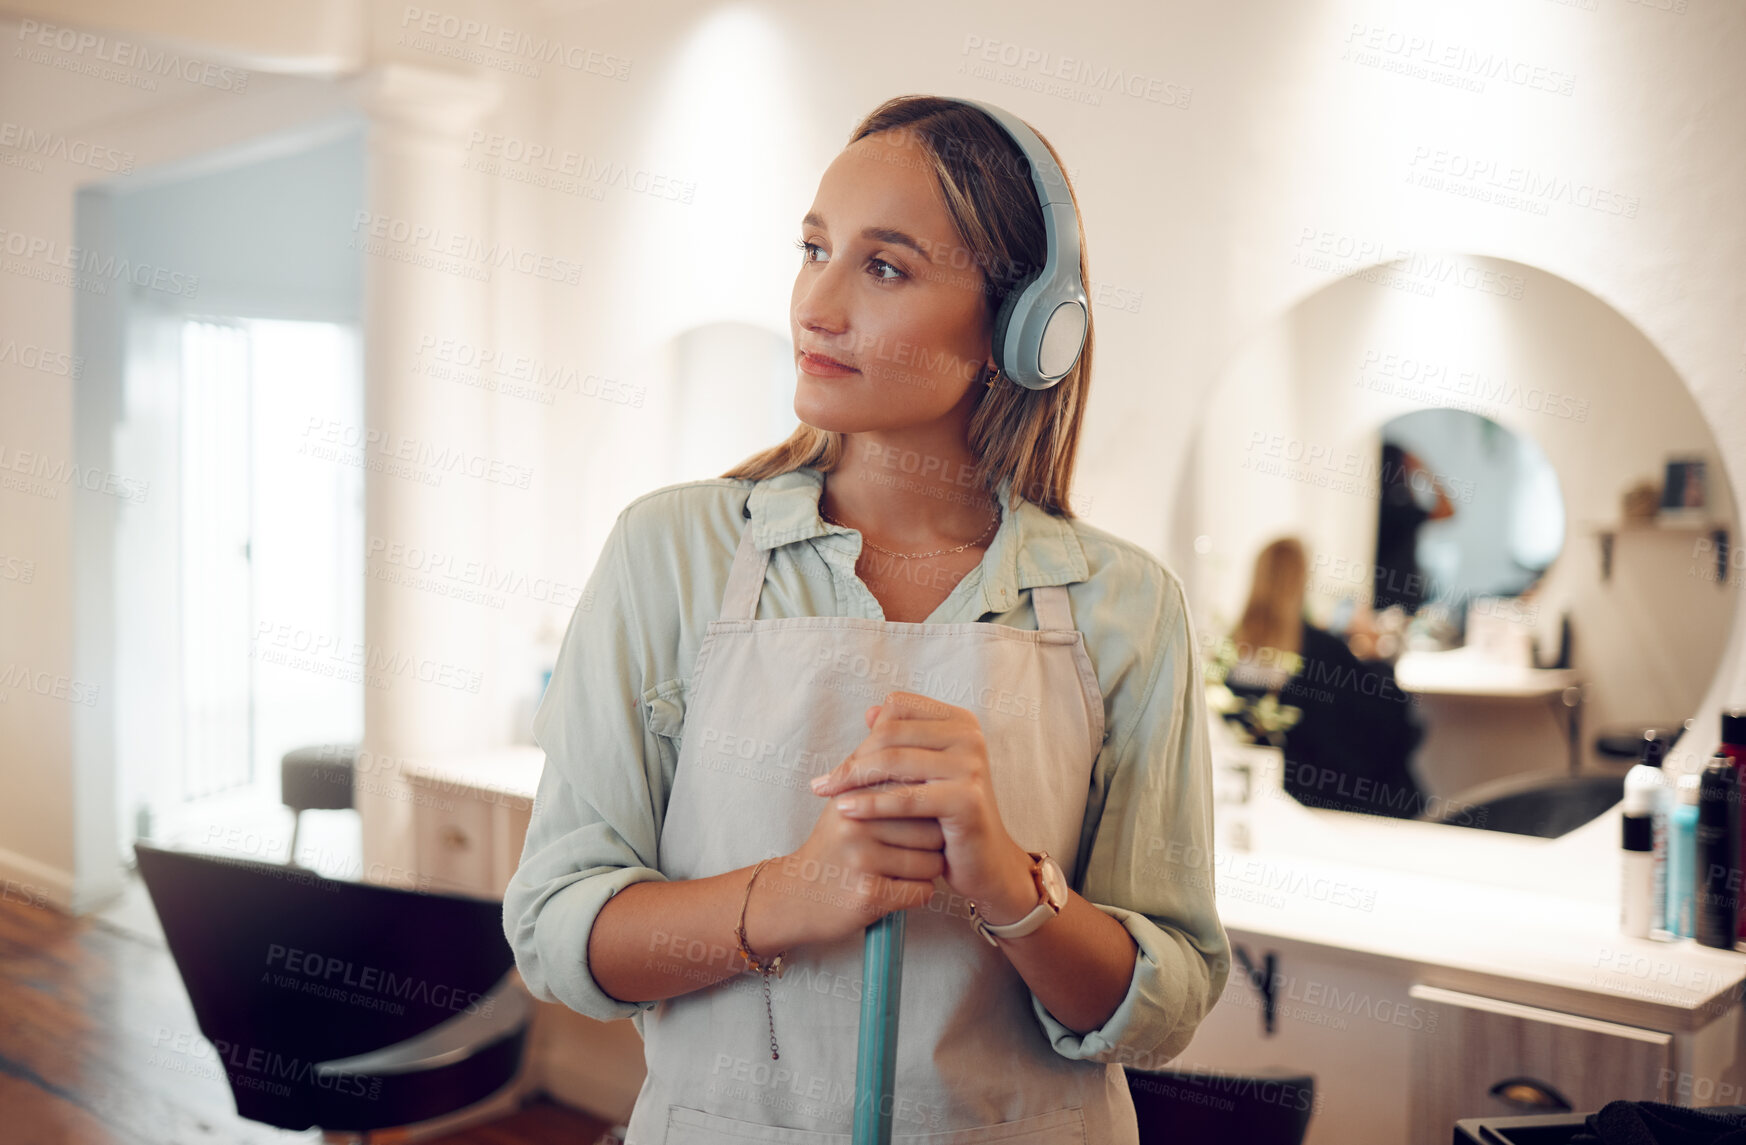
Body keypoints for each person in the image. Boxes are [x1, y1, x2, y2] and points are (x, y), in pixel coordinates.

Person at [501, 95, 1229, 1143]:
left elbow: (1165, 1011)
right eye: (813, 248)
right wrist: (795, 892)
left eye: (883, 266)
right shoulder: (670, 554)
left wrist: (1010, 887)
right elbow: (560, 930)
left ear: (1022, 328)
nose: (816, 303)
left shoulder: (1127, 606)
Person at [1221, 538, 1426, 819]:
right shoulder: (1321, 651)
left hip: (1269, 799)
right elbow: (1384, 717)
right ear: (1302, 579)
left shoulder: (1230, 652)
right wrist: (1378, 657)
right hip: (1336, 800)